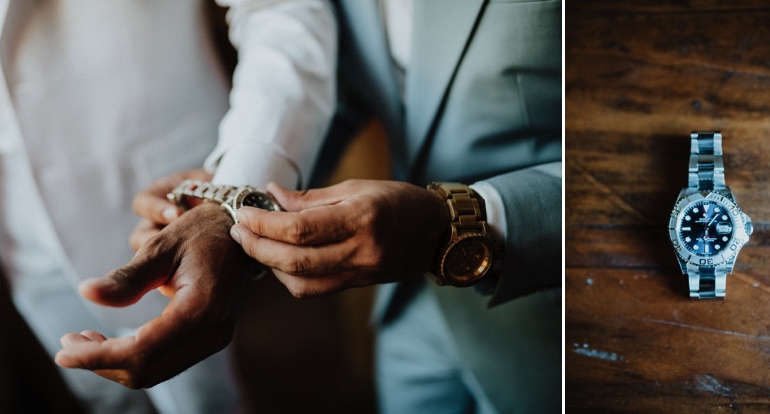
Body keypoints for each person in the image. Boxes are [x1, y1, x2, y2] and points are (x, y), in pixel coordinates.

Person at [57, 0, 561, 412]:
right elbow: (340, 78)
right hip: (405, 313)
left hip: (556, 317)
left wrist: (458, 223)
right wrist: (233, 192)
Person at [0, 0, 335, 412]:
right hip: (3, 196)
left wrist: (239, 185)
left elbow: (281, 9)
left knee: (203, 400)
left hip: (158, 195)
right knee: (101, 396)